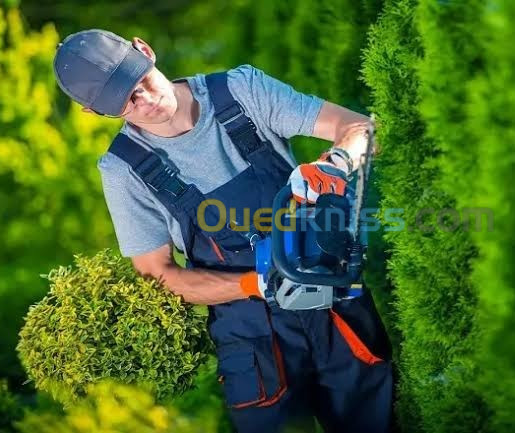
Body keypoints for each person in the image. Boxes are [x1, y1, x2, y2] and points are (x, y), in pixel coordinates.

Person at [52, 29, 393, 433]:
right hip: (252, 338)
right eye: (126, 102)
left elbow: (361, 128)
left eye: (139, 81)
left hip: (332, 297)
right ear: (93, 113)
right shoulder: (124, 170)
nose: (145, 100)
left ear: (145, 50)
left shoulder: (240, 91)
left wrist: (334, 163)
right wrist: (257, 284)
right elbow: (161, 278)